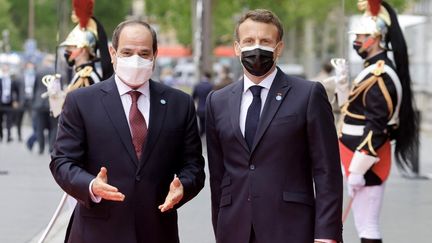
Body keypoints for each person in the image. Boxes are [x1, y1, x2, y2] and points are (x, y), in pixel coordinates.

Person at [49, 19, 205, 243]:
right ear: (113, 53)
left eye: (143, 53)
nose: (136, 59)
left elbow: (194, 166)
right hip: (97, 232)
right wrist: (91, 185)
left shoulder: (179, 103)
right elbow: (62, 161)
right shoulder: (81, 101)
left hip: (158, 231)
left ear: (154, 55)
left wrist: (184, 186)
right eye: (127, 52)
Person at [206, 9, 343, 243]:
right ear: (237, 48)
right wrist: (220, 228)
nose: (256, 48)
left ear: (278, 48)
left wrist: (327, 233)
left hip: (292, 228)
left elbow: (327, 171)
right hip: (234, 229)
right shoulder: (217, 101)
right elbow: (219, 176)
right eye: (249, 41)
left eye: (265, 41)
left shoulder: (308, 95)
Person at [338, 1, 419, 243]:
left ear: (375, 38)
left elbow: (377, 127)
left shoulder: (379, 74)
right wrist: (343, 84)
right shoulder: (372, 70)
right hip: (354, 154)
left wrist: (357, 169)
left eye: (361, 36)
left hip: (365, 159)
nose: (357, 41)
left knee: (367, 226)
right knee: (363, 223)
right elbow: (350, 111)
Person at [0, 64, 20, 143]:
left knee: (9, 120)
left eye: (6, 69)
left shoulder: (13, 80)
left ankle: (8, 136)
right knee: (0, 120)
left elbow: (16, 91)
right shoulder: (0, 79)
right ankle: (1, 135)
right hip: (1, 103)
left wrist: (15, 101)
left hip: (10, 102)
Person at [192, 71, 213, 136]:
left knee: (201, 124)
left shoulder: (197, 85)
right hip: (208, 108)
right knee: (208, 125)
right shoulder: (211, 86)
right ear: (209, 77)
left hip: (200, 108)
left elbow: (193, 97)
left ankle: (201, 135)